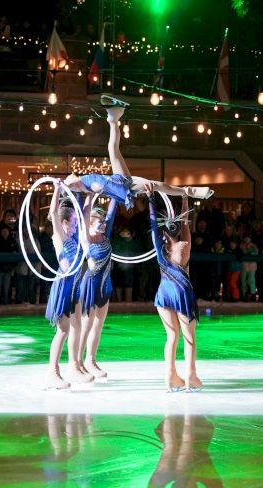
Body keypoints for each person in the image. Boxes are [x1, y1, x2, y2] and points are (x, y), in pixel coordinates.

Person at [63, 96, 214, 206]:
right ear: (72, 188)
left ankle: (114, 116)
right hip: (124, 186)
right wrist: (125, 194)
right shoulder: (86, 186)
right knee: (155, 185)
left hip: (119, 179)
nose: (69, 177)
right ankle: (190, 192)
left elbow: (75, 179)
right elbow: (108, 189)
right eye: (69, 182)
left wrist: (65, 185)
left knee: (112, 149)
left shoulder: (83, 183)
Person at [146, 187, 202, 392]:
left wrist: (151, 198)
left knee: (172, 337)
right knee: (189, 338)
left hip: (163, 293)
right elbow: (187, 222)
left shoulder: (159, 247)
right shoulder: (183, 245)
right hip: (181, 293)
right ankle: (190, 376)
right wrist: (185, 198)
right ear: (178, 230)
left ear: (163, 232)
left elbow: (153, 225)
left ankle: (170, 377)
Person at [45, 182, 94, 389]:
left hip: (75, 283)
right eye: (73, 222)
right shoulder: (60, 236)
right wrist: (57, 188)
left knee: (77, 326)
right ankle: (52, 372)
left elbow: (84, 216)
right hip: (64, 284)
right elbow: (54, 211)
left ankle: (74, 366)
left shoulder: (74, 235)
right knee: (63, 329)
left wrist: (91, 196)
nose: (76, 225)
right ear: (64, 222)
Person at [77, 195, 118, 379]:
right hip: (91, 285)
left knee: (98, 325)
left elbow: (112, 211)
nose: (103, 223)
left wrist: (116, 194)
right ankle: (77, 363)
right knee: (86, 326)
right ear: (90, 222)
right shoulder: (86, 238)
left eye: (103, 221)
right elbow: (83, 216)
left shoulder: (104, 236)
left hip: (105, 284)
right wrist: (88, 196)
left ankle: (91, 360)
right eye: (99, 221)